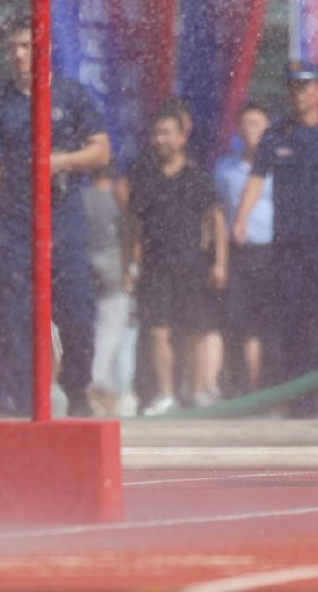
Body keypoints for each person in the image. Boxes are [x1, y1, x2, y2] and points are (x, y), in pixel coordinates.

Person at [0, 21, 110, 416]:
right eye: (13, 48)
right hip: (14, 220)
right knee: (13, 315)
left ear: (46, 48)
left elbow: (101, 151)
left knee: (77, 312)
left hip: (63, 219)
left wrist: (60, 162)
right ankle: (19, 398)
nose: (20, 55)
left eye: (27, 46)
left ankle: (77, 390)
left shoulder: (72, 96)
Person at [234, 61, 318, 418]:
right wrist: (242, 218)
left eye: (307, 85)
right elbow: (257, 178)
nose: (300, 93)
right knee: (294, 319)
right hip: (289, 244)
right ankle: (302, 398)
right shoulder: (276, 135)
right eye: (294, 86)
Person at [128, 102, 226, 413]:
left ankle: (196, 391)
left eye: (167, 133)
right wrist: (128, 264)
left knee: (194, 330)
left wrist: (220, 262)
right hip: (155, 266)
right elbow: (132, 225)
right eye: (156, 133)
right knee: (158, 330)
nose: (160, 139)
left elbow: (216, 221)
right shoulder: (144, 176)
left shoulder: (197, 176)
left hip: (191, 264)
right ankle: (166, 394)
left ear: (182, 137)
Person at [213, 103, 276, 394]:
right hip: (238, 253)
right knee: (236, 320)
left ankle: (263, 385)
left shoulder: (279, 166)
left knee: (265, 323)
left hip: (271, 252)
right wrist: (219, 260)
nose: (251, 129)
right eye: (246, 123)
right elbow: (218, 214)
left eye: (257, 123)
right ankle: (237, 385)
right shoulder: (226, 169)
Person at [84, 162, 135, 418]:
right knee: (112, 326)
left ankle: (92, 377)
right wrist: (130, 268)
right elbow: (128, 232)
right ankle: (102, 380)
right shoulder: (116, 198)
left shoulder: (82, 198)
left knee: (91, 324)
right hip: (112, 263)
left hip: (85, 261)